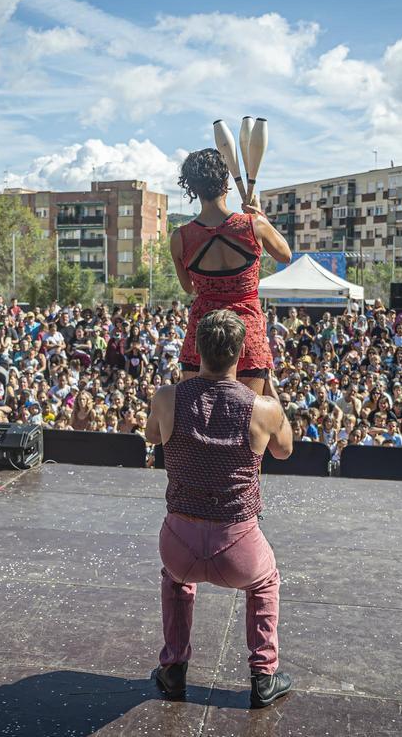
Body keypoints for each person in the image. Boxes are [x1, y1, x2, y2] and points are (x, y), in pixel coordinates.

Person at [145, 309, 295, 709]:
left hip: (178, 543)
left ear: (196, 349)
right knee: (265, 582)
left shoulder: (166, 398)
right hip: (238, 547)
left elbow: (151, 435)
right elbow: (285, 450)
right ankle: (264, 676)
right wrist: (271, 386)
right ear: (242, 353)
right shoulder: (263, 409)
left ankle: (173, 668)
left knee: (176, 581)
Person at [171, 148, 292, 394]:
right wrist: (259, 216)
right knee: (248, 419)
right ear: (226, 184)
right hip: (247, 331)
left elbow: (189, 287)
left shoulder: (180, 238)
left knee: (195, 417)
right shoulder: (253, 225)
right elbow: (285, 254)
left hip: (203, 334)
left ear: (192, 189)